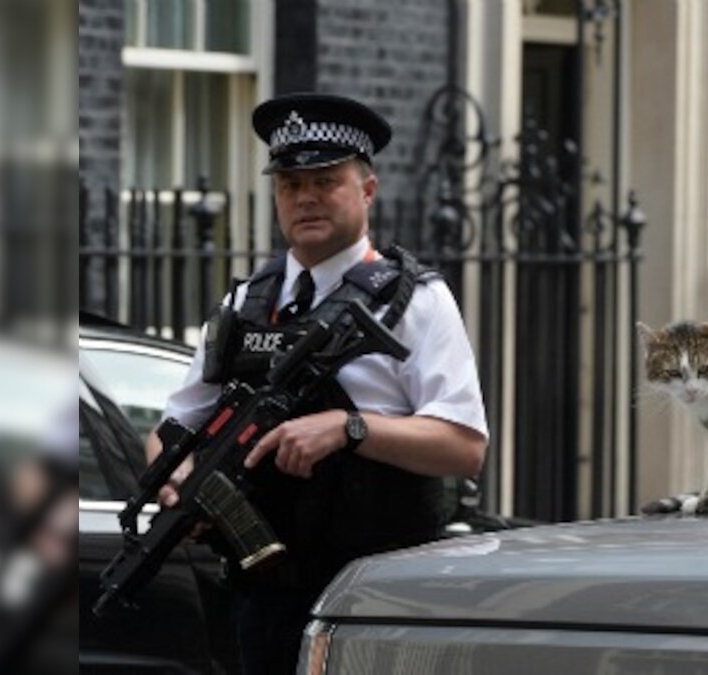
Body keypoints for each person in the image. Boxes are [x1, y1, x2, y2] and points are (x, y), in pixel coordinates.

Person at [144, 92, 488, 674]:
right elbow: (174, 426)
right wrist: (176, 477)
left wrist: (349, 428)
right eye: (289, 185)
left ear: (367, 190)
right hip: (264, 595)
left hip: (376, 594)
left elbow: (465, 447)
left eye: (325, 181)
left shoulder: (417, 302)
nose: (304, 197)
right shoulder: (244, 303)